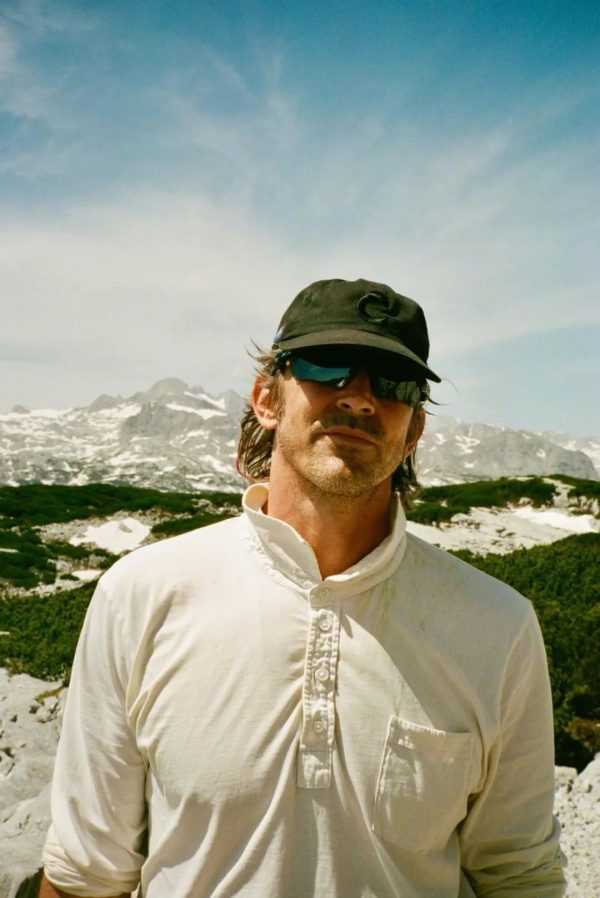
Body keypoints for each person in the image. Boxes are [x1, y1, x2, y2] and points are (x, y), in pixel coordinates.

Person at [40, 278, 565, 897]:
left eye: (394, 382)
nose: (361, 397)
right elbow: (85, 875)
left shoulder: (498, 626)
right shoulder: (140, 595)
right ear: (267, 398)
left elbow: (519, 876)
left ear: (414, 431)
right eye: (327, 365)